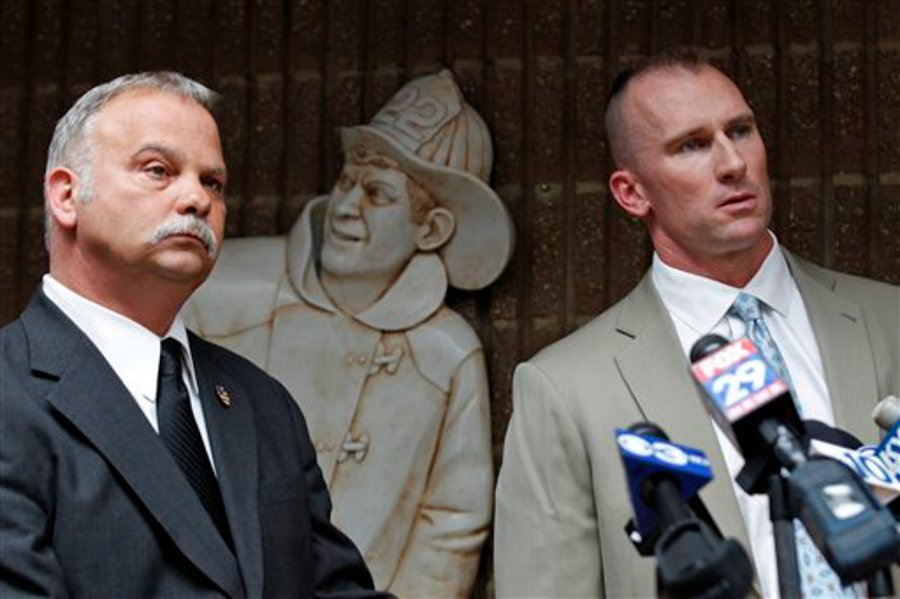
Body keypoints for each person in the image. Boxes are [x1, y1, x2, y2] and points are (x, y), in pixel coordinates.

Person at [494, 51, 899, 597]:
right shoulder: (565, 389)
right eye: (692, 145)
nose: (733, 163)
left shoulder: (889, 320)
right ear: (631, 193)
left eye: (741, 130)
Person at [0, 71, 390, 598]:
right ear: (67, 196)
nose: (196, 199)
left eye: (213, 183)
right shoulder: (10, 390)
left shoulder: (263, 403)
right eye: (158, 170)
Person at [185, 70, 513, 596]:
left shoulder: (446, 354)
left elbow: (452, 520)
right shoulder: (218, 288)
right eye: (346, 182)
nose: (346, 207)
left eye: (378, 194)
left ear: (431, 230)